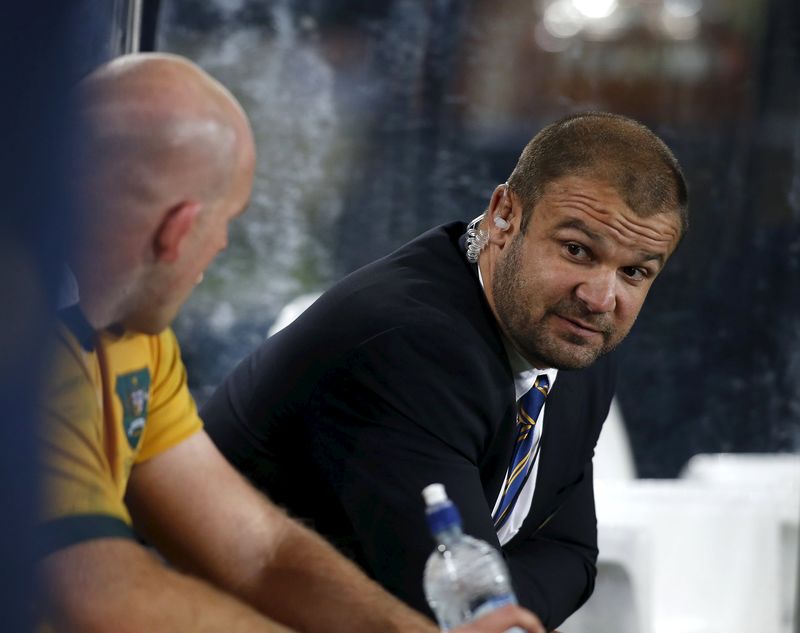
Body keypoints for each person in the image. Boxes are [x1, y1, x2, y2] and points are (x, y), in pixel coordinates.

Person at [36, 53, 544, 633]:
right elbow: (103, 595)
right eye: (227, 221)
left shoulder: (134, 340)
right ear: (178, 229)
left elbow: (259, 552)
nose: (224, 245)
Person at [201, 112, 689, 631]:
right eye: (576, 250)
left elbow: (568, 552)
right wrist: (489, 611)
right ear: (504, 215)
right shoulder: (407, 344)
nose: (600, 297)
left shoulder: (572, 339)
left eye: (634, 272)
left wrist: (496, 610)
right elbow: (438, 604)